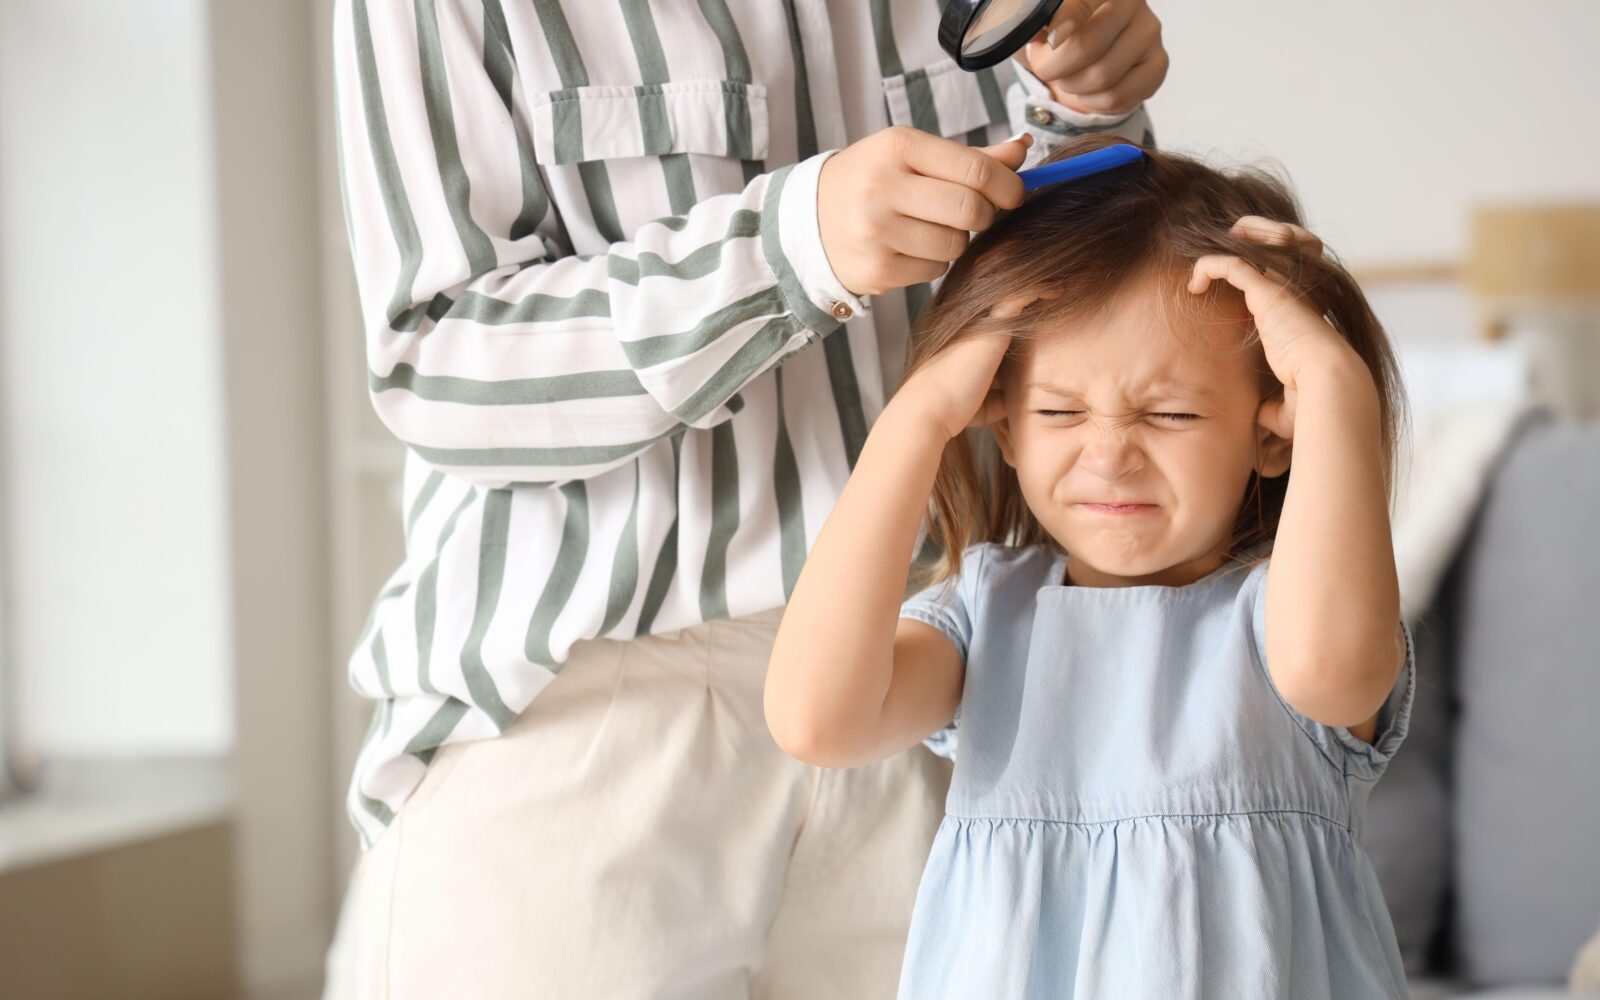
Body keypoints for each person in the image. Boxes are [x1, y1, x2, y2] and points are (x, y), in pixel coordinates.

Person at [324, 0, 1168, 996]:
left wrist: (1092, 110)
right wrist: (785, 250)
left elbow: (1083, 286)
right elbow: (436, 367)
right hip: (582, 711)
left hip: (946, 686)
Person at [764, 134, 1416, 998]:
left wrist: (1336, 385)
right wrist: (914, 420)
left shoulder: (1284, 618)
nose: (1110, 455)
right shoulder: (988, 617)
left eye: (1173, 414)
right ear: (1000, 421)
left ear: (1270, 430)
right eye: (1060, 409)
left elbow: (1335, 672)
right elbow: (818, 721)